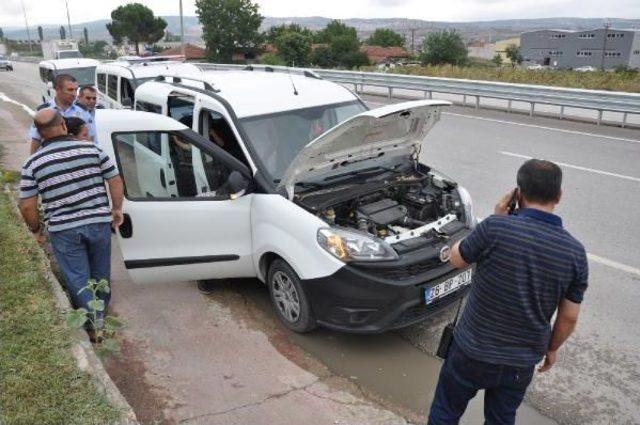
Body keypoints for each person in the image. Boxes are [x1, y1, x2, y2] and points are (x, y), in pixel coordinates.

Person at [428, 159, 588, 425]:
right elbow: (569, 316)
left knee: (446, 412)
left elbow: (457, 259)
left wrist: (497, 215)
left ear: (519, 194)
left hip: (471, 351)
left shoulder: (495, 228)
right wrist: (552, 349)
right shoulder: (575, 253)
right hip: (520, 361)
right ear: (558, 196)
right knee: (501, 419)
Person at [19, 108, 124, 339]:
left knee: (78, 278)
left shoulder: (33, 163)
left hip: (63, 229)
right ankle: (101, 318)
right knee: (101, 274)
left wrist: (36, 230)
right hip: (98, 223)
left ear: (39, 133)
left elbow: (27, 205)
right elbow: (115, 179)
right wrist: (116, 209)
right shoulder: (92, 149)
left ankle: (93, 326)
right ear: (64, 125)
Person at [28, 74, 95, 153]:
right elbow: (36, 140)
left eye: (75, 90)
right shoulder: (44, 112)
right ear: (58, 89)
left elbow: (92, 139)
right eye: (70, 90)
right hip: (51, 158)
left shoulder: (83, 111)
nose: (74, 94)